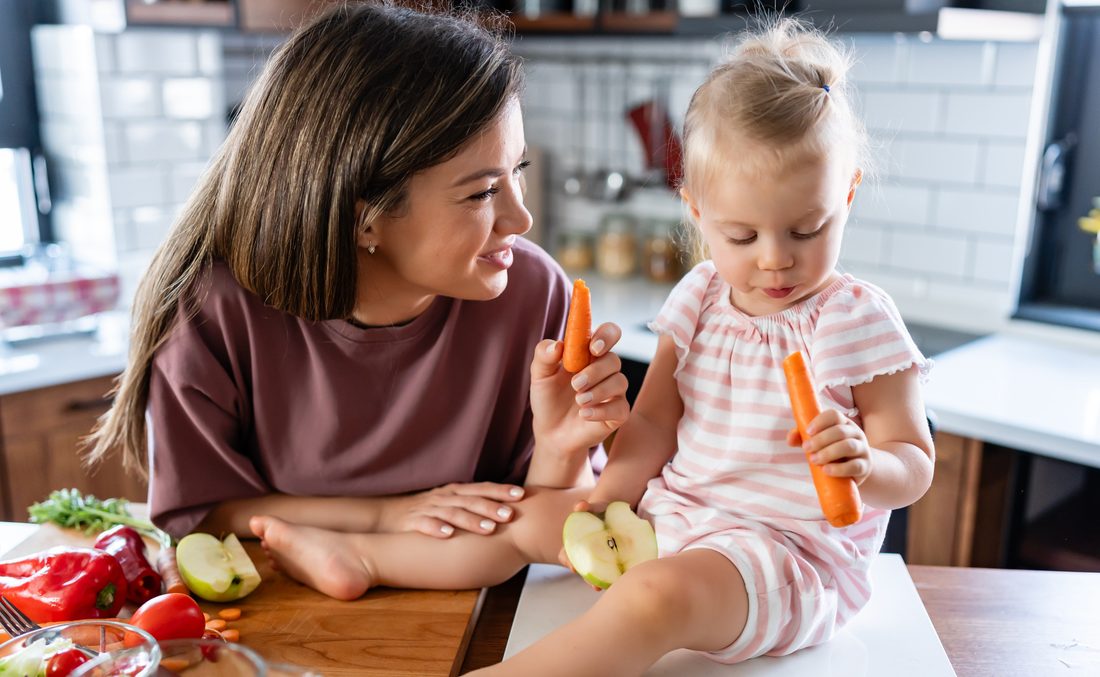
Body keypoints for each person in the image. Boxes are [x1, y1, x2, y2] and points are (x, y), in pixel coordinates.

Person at [250, 17, 936, 675]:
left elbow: (914, 461)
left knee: (652, 599)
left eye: (807, 230)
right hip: (677, 518)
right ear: (696, 211)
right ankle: (363, 558)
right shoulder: (698, 298)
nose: (776, 261)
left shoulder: (854, 318)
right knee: (521, 515)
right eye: (742, 236)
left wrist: (866, 466)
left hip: (788, 554)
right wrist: (605, 500)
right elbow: (656, 423)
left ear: (846, 196)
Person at [84, 2, 630, 543]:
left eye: (518, 171)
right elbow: (200, 512)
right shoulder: (215, 307)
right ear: (363, 219)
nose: (522, 218)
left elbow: (564, 521)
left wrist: (564, 447)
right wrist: (386, 517)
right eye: (483, 192)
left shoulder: (536, 293)